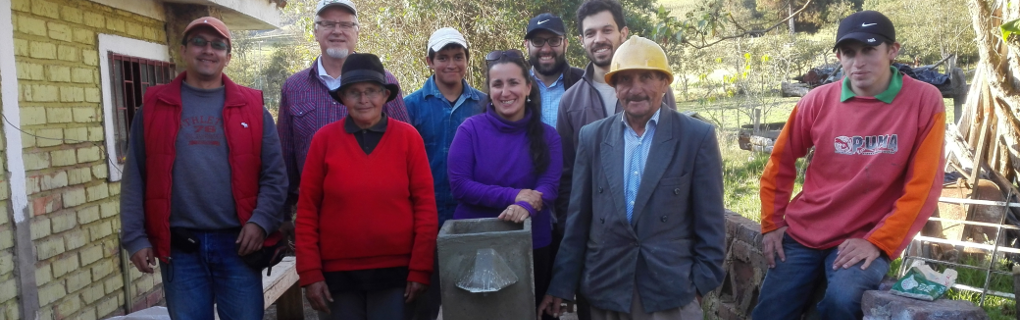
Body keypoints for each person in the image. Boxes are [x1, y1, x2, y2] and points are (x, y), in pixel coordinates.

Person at [753, 10, 946, 320]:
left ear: (892, 51)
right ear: (840, 56)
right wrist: (772, 223)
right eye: (849, 52)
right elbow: (781, 162)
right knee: (770, 311)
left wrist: (879, 241)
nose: (859, 62)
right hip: (804, 233)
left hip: (864, 237)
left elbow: (924, 186)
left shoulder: (924, 102)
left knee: (842, 302)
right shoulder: (816, 101)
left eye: (869, 50)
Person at [539, 36, 725, 320]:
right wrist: (562, 283)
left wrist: (697, 287)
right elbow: (577, 221)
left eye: (647, 77)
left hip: (670, 293)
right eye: (624, 79)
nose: (635, 89)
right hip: (605, 288)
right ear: (615, 87)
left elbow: (711, 225)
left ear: (665, 83)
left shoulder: (695, 137)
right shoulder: (593, 138)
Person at [119, 16, 287, 319]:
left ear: (228, 56)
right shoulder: (153, 108)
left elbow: (275, 176)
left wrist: (261, 222)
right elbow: (135, 178)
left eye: (218, 45)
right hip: (181, 248)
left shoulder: (252, 108)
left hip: (240, 244)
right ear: (183, 50)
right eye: (199, 42)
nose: (208, 50)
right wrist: (135, 237)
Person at [554, 2, 678, 318]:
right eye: (590, 32)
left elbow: (673, 162)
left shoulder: (656, 91)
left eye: (606, 30)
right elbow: (569, 182)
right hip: (601, 254)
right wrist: (575, 255)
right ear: (581, 40)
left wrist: (698, 276)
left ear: (622, 32)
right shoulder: (571, 102)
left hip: (657, 251)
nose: (599, 39)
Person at [295, 53, 437, 320]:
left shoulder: (408, 139)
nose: (363, 100)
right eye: (354, 92)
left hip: (397, 273)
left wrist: (420, 268)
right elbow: (307, 211)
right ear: (343, 98)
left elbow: (426, 208)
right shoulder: (323, 141)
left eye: (371, 91)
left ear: (385, 95)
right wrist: (310, 273)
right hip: (337, 275)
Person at [447, 49, 563, 320]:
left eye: (513, 82)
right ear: (489, 90)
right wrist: (515, 196)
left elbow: (549, 185)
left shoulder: (548, 136)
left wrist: (526, 206)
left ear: (528, 87)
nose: (505, 91)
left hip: (532, 244)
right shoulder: (470, 130)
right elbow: (460, 185)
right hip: (475, 243)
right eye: (497, 84)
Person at [278, 0, 410, 220]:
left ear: (357, 31)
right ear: (316, 31)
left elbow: (406, 149)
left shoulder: (385, 82)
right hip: (318, 214)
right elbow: (285, 157)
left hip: (383, 210)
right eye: (328, 23)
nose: (337, 31)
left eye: (346, 25)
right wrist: (282, 216)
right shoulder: (294, 88)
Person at [403, 27, 485, 320]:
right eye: (443, 57)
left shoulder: (483, 104)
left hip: (472, 215)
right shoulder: (410, 106)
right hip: (425, 217)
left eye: (458, 56)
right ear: (429, 61)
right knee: (423, 298)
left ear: (467, 60)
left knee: (471, 296)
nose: (451, 64)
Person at [524, 13, 584, 127]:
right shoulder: (514, 86)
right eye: (537, 41)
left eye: (554, 40)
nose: (546, 49)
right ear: (527, 45)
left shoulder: (583, 83)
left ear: (565, 44)